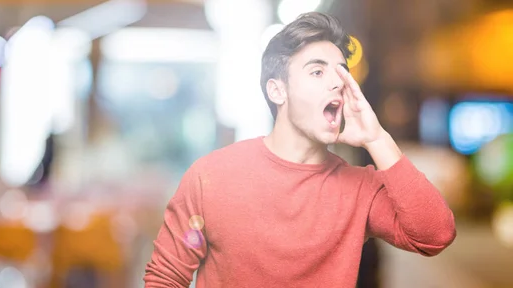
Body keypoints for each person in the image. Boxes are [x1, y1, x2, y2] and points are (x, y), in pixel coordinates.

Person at [144, 12, 456, 288]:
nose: (337, 83)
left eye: (341, 72)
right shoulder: (210, 178)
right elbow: (166, 277)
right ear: (277, 90)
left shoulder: (359, 189)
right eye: (317, 71)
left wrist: (377, 138)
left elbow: (436, 234)